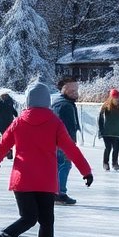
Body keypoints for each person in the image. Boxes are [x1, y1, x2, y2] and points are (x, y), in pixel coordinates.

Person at [0, 81, 93, 237]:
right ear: (47, 101)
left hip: (22, 179)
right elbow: (71, 149)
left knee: (31, 217)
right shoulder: (54, 122)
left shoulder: (19, 121)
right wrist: (86, 171)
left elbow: (4, 142)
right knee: (45, 221)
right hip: (45, 181)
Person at [51, 76, 82, 204]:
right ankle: (59, 193)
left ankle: (56, 191)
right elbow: (64, 126)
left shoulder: (64, 103)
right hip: (62, 142)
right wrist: (70, 143)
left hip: (59, 141)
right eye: (72, 90)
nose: (76, 93)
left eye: (76, 90)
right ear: (65, 90)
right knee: (64, 165)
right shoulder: (64, 105)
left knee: (60, 165)